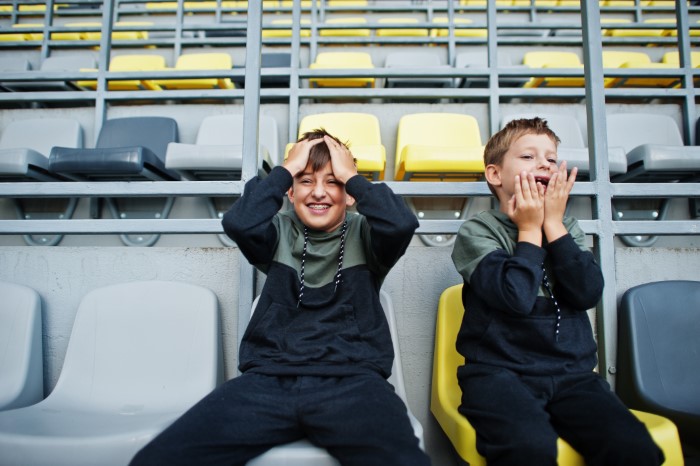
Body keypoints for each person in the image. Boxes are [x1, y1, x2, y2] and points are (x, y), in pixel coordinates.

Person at [130, 129, 429, 466]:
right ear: (289, 189)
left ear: (349, 193)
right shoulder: (277, 232)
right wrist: (286, 169)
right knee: (159, 458)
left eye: (333, 182)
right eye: (305, 180)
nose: (318, 192)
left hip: (353, 383)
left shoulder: (368, 235)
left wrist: (352, 177)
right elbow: (240, 222)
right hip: (266, 382)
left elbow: (401, 224)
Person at [450, 117, 664, 466]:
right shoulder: (478, 231)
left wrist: (552, 224)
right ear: (494, 175)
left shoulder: (567, 229)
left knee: (633, 447)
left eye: (551, 158)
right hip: (498, 376)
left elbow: (586, 294)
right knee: (529, 448)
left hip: (573, 378)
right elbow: (516, 297)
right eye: (528, 157)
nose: (544, 164)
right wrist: (530, 230)